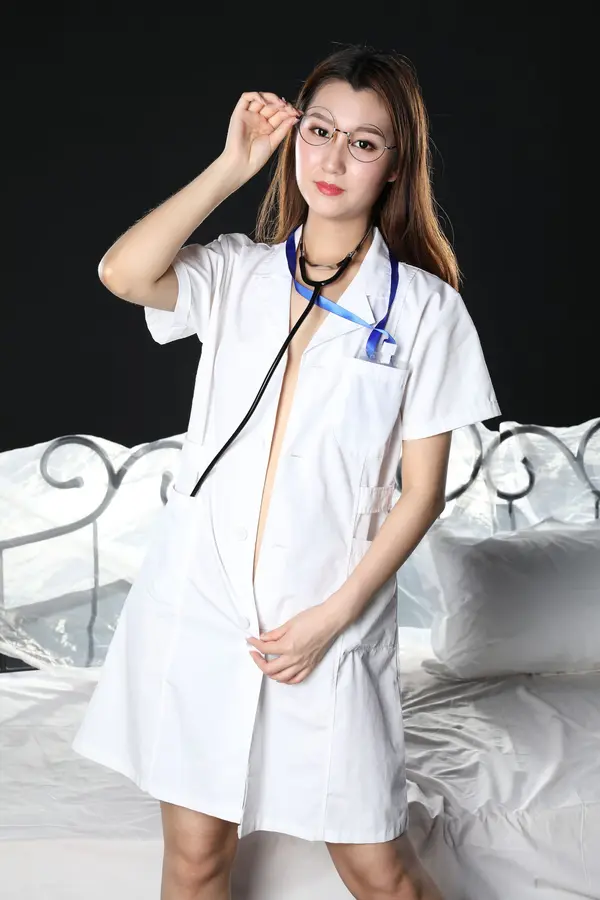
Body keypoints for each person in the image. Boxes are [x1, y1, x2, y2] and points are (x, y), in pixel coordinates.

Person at [72, 45, 501, 900]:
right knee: (197, 860)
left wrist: (330, 619)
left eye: (364, 143)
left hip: (331, 618)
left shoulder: (425, 310)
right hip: (204, 608)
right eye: (319, 131)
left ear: (395, 166)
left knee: (379, 873)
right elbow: (122, 272)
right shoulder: (236, 272)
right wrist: (233, 164)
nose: (334, 159)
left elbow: (422, 494)